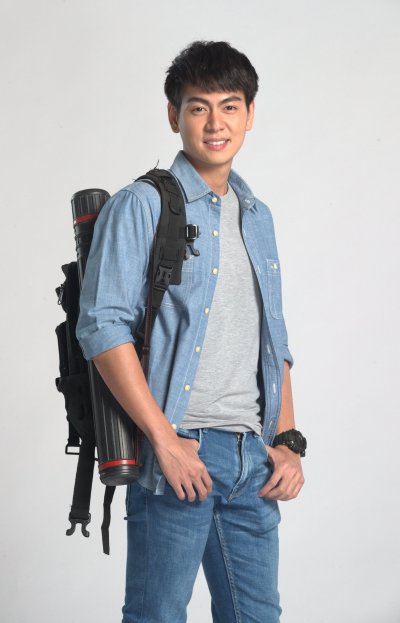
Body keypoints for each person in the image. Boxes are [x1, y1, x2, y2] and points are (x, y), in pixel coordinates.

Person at [76, 40, 305, 623]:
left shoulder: (257, 215)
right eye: (198, 107)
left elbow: (273, 339)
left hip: (252, 459)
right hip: (178, 451)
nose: (215, 123)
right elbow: (103, 326)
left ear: (250, 115)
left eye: (230, 107)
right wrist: (164, 441)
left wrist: (288, 441)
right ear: (173, 114)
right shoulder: (141, 205)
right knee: (156, 616)